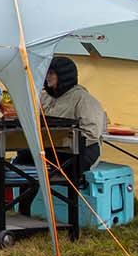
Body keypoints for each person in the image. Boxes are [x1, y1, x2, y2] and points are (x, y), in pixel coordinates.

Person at [11, 53, 105, 211]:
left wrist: (61, 141)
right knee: (23, 160)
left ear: (64, 76)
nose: (48, 77)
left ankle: (65, 215)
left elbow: (91, 133)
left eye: (52, 73)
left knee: (51, 166)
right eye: (47, 73)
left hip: (78, 152)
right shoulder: (45, 98)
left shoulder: (83, 99)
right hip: (49, 149)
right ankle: (23, 210)